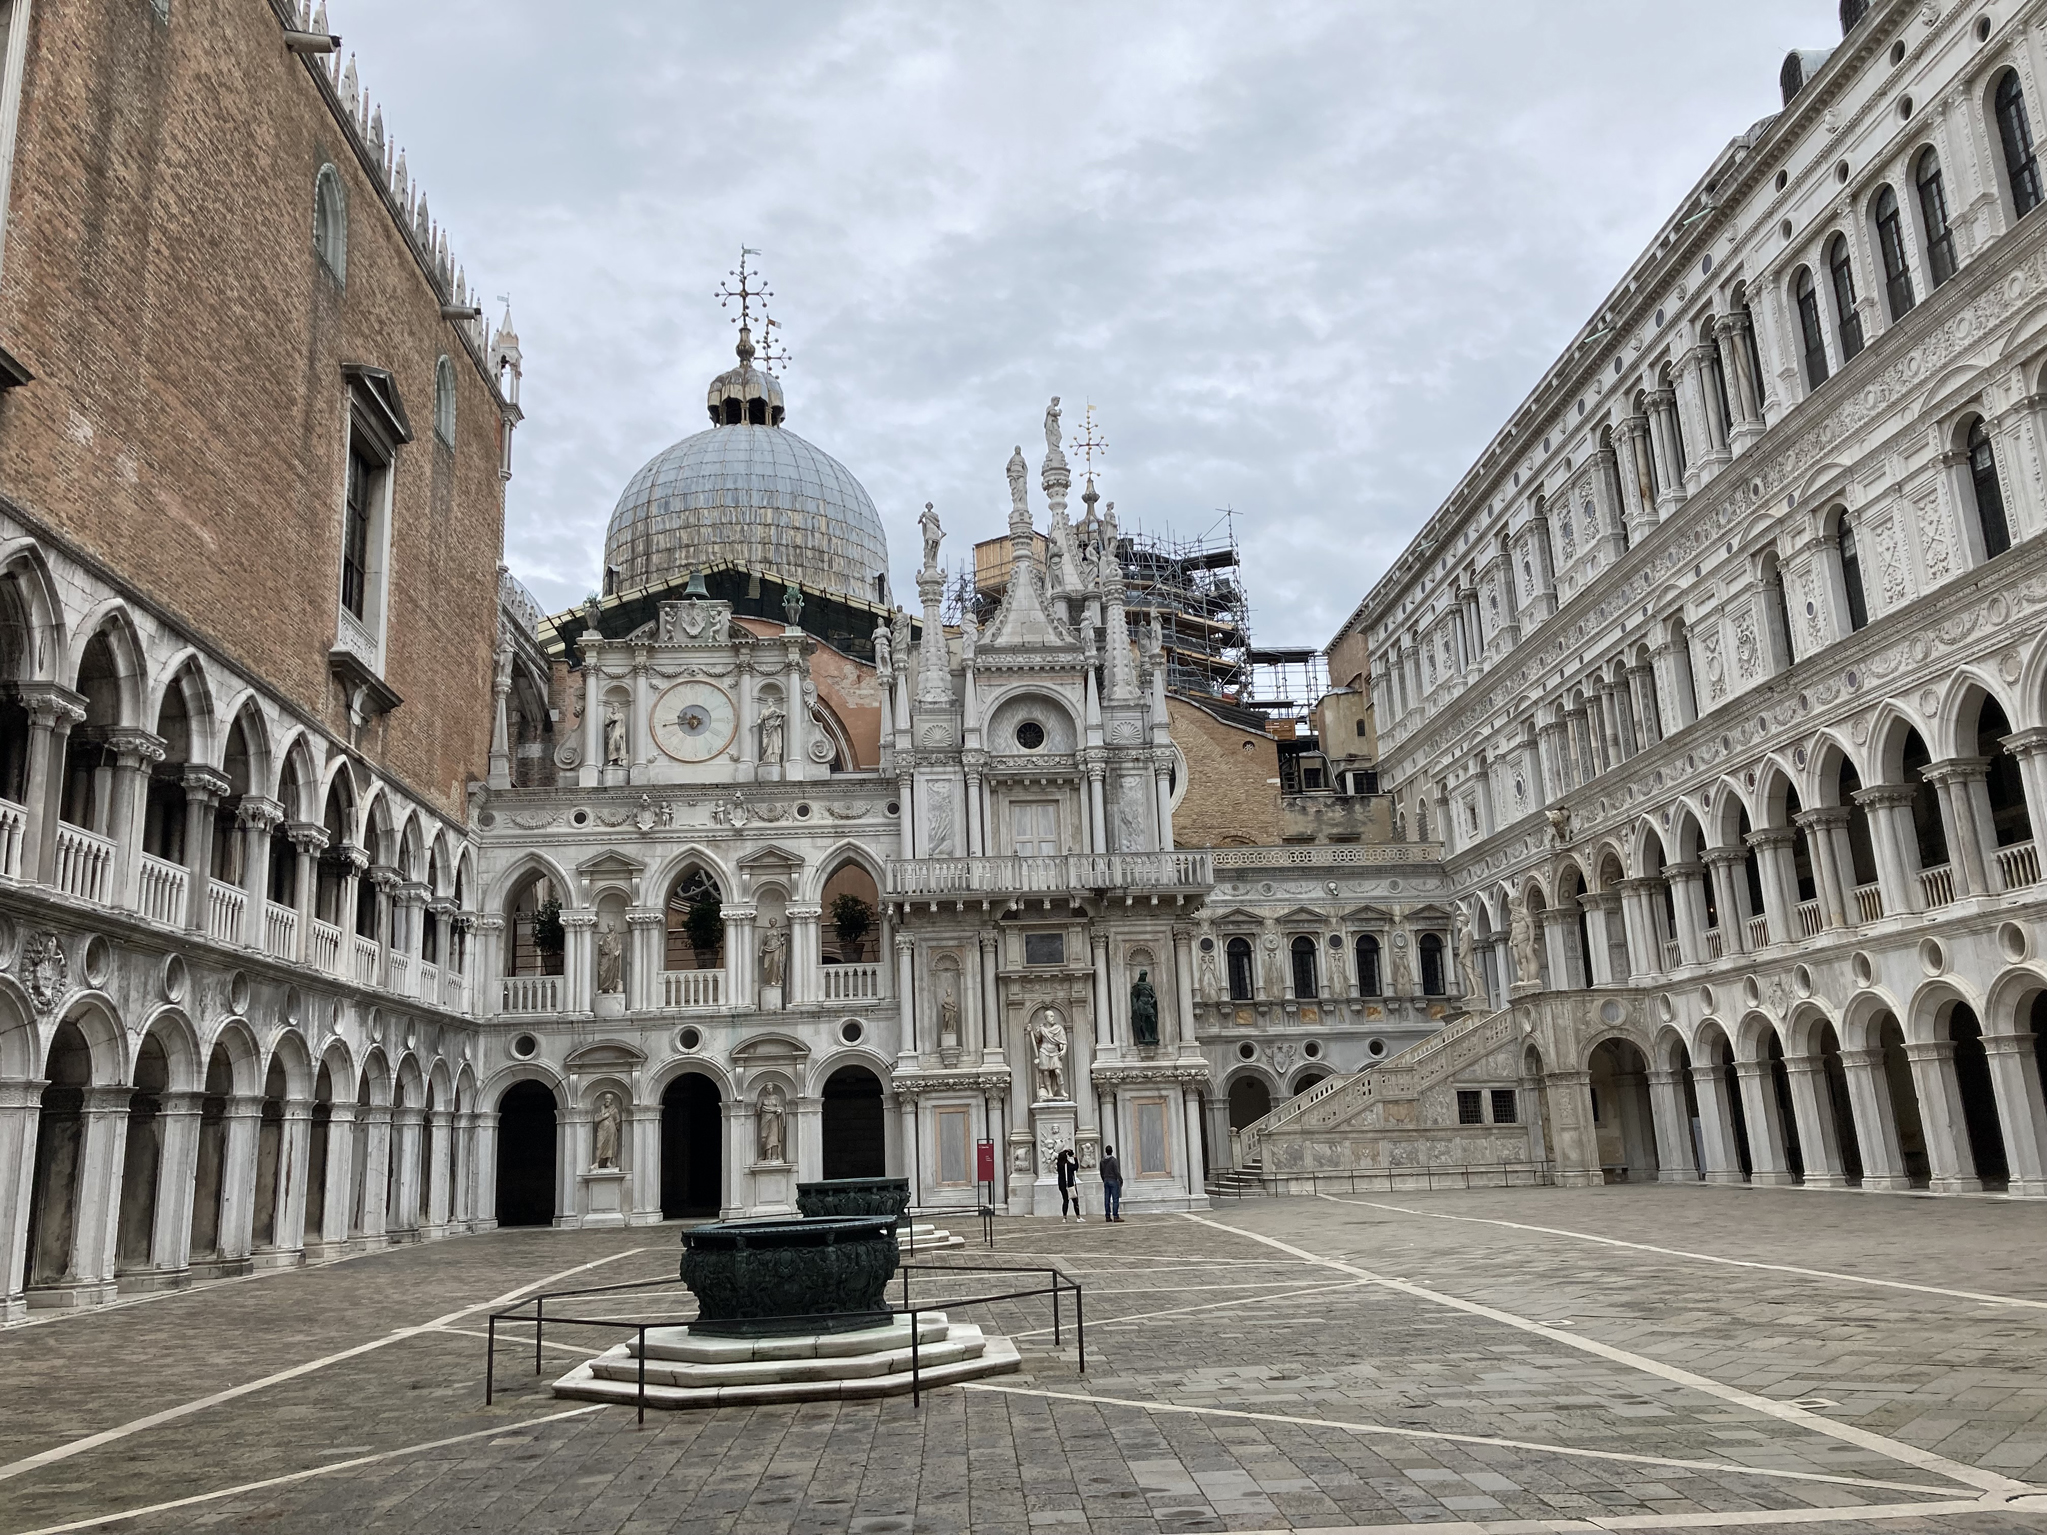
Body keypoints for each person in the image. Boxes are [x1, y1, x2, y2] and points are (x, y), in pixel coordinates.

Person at [1100, 1144, 1123, 1222]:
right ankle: (1115, 1216)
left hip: (1106, 1180)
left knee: (1107, 1199)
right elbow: (1116, 1171)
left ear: (1106, 1152)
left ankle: (1107, 1215)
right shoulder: (1113, 1160)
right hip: (1113, 1179)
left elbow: (1101, 1172)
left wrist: (1104, 1179)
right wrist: (1120, 1179)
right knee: (1115, 1199)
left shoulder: (1102, 1160)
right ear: (1112, 1151)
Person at [1055, 1147, 1080, 1221]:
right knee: (1075, 1200)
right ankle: (1078, 1217)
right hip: (1069, 1185)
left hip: (1062, 1185)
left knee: (1065, 1201)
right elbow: (1075, 1167)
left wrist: (1065, 1152)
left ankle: (1064, 1217)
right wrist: (1074, 1157)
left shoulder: (1059, 1165)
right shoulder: (1067, 1165)